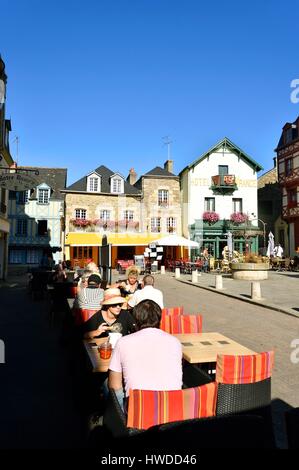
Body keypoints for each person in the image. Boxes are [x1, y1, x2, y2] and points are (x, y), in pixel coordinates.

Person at [108, 299, 183, 409]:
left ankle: (113, 421)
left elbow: (114, 386)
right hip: (171, 409)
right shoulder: (175, 342)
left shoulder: (123, 342)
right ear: (159, 319)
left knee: (109, 384)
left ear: (136, 320)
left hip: (139, 411)